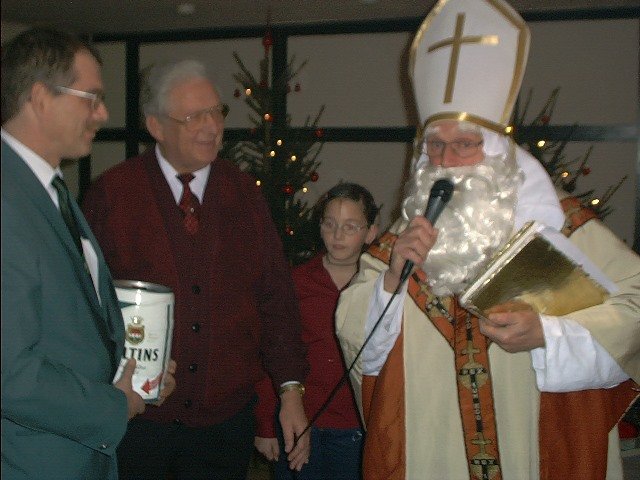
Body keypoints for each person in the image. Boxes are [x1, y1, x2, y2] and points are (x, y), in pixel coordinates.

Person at [335, 1, 640, 479]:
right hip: (429, 451)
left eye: (464, 145)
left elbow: (634, 306)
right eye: (435, 145)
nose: (446, 162)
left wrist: (550, 337)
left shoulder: (559, 222)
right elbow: (356, 331)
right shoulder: (403, 237)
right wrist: (389, 284)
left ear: (496, 149)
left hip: (530, 448)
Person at [81, 58, 310, 480]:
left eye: (216, 112)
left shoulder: (245, 196)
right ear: (156, 125)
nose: (212, 126)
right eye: (193, 117)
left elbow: (276, 299)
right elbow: (82, 305)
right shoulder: (113, 195)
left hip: (224, 423)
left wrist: (290, 390)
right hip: (137, 422)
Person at [1, 27, 175, 480]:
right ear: (41, 97)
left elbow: (69, 322)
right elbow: (9, 373)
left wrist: (136, 372)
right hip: (34, 462)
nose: (103, 113)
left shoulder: (49, 188)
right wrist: (112, 406)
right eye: (91, 98)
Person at [254, 182, 379, 479]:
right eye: (329, 224)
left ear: (370, 233)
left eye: (350, 227)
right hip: (299, 420)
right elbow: (270, 353)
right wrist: (265, 426)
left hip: (357, 426)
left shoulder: (380, 286)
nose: (337, 235)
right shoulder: (295, 283)